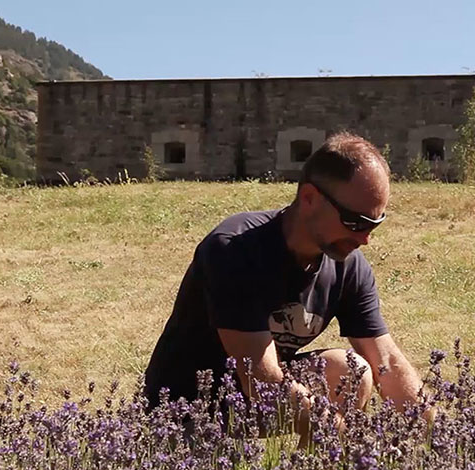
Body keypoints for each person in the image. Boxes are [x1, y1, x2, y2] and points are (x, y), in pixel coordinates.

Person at [143, 132, 433, 445]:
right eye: (355, 222)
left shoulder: (347, 262)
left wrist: (439, 436)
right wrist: (340, 433)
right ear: (309, 198)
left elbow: (385, 360)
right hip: (188, 411)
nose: (365, 239)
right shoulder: (235, 250)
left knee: (353, 371)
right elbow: (259, 377)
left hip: (259, 401)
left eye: (374, 224)